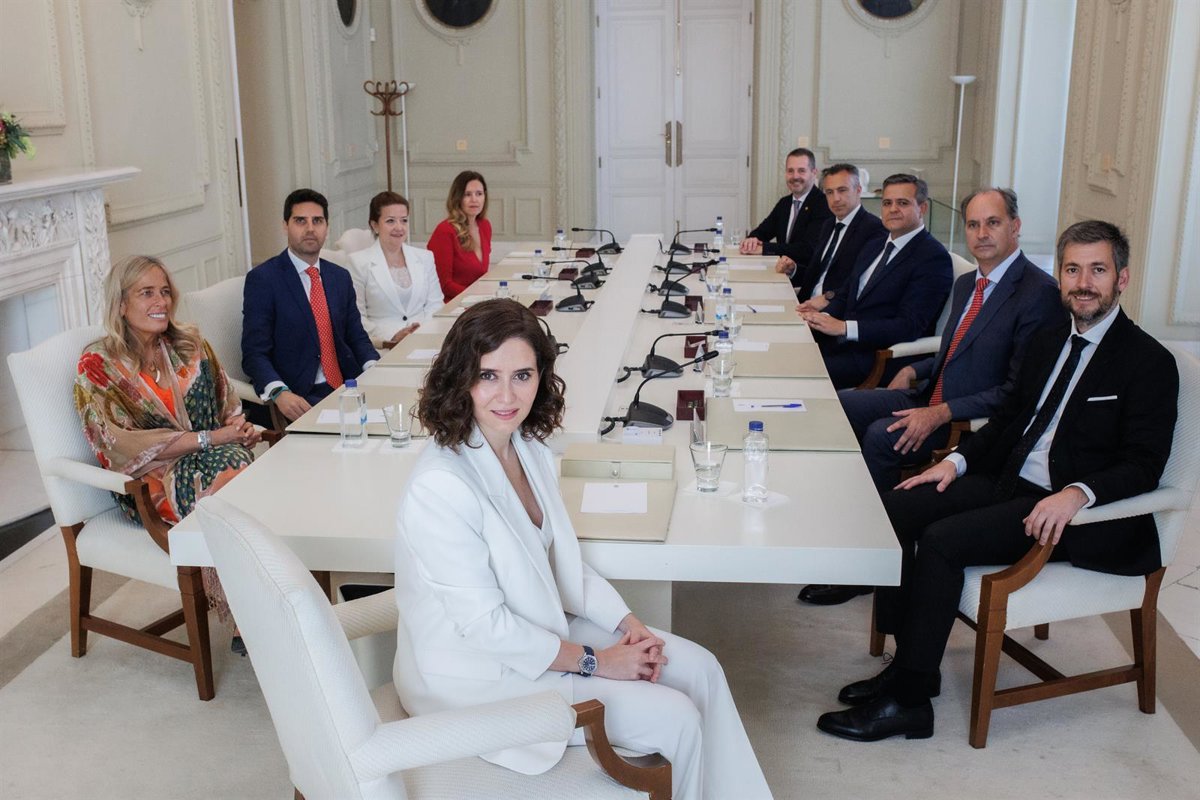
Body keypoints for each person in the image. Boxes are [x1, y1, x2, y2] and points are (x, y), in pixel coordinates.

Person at [392, 299, 771, 800]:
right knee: (677, 717)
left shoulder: (527, 449)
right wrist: (599, 661)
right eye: (488, 376)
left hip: (536, 630)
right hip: (476, 678)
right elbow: (486, 629)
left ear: (541, 377)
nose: (507, 395)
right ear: (460, 378)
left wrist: (629, 624)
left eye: (522, 375)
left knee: (701, 668)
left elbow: (562, 565)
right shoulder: (440, 485)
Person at [816, 220, 1179, 743]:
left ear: (1121, 278)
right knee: (896, 507)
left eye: (1097, 270)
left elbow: (1144, 462)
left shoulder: (1148, 361)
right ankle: (911, 663)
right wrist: (957, 462)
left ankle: (910, 703)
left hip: (1070, 514)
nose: (1083, 283)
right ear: (1060, 276)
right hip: (1011, 480)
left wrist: (1077, 494)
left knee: (942, 541)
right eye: (1072, 270)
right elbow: (1010, 419)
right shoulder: (1049, 338)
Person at [798, 188, 1060, 606]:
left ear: (1015, 226)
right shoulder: (969, 282)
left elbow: (1019, 392)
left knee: (881, 436)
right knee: (838, 407)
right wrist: (916, 369)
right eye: (973, 224)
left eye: (993, 223)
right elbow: (956, 348)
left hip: (968, 422)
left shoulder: (1038, 293)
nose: (981, 234)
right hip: (928, 395)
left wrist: (942, 412)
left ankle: (871, 564)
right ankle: (846, 527)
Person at [75, 255, 261, 626]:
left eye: (164, 291)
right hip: (148, 482)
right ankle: (251, 611)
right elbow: (117, 444)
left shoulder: (189, 345)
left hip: (217, 457)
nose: (160, 301)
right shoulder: (97, 364)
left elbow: (226, 402)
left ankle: (257, 603)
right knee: (229, 483)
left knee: (249, 475)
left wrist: (239, 428)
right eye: (146, 293)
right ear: (121, 304)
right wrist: (210, 438)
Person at [800, 173, 952, 389]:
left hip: (878, 356)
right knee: (785, 348)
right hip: (842, 342)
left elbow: (908, 326)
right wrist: (820, 318)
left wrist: (845, 327)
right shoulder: (876, 243)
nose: (893, 209)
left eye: (902, 203)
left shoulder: (932, 257)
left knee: (800, 371)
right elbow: (848, 292)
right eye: (887, 203)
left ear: (922, 208)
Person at [242, 188, 379, 423]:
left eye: (317, 221)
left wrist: (374, 367)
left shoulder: (339, 277)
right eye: (300, 221)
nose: (310, 229)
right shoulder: (264, 280)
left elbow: (356, 336)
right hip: (299, 395)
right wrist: (279, 392)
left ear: (326, 227)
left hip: (346, 387)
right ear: (285, 226)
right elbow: (254, 353)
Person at [348, 191, 444, 349]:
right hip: (383, 346)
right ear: (375, 225)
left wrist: (421, 332)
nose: (399, 227)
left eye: (404, 220)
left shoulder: (425, 257)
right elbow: (357, 316)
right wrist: (392, 337)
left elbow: (436, 304)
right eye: (390, 221)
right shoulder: (357, 263)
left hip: (425, 341)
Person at [792, 163, 886, 304]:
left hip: (833, 310)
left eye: (842, 190)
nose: (836, 198)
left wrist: (827, 300)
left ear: (858, 190)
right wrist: (793, 269)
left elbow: (859, 284)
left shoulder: (875, 229)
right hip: (805, 303)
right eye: (829, 192)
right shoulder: (829, 224)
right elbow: (820, 273)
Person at [740, 148, 832, 281]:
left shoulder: (823, 204)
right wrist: (752, 241)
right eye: (790, 171)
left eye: (801, 171)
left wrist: (764, 248)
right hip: (781, 274)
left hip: (804, 280)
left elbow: (807, 249)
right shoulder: (785, 203)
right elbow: (762, 231)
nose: (795, 176)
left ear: (814, 173)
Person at [427, 170, 492, 300]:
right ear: (457, 198)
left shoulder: (485, 226)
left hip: (476, 302)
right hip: (453, 304)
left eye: (479, 194)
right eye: (467, 194)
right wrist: (477, 297)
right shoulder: (445, 231)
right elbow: (444, 285)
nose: (474, 199)